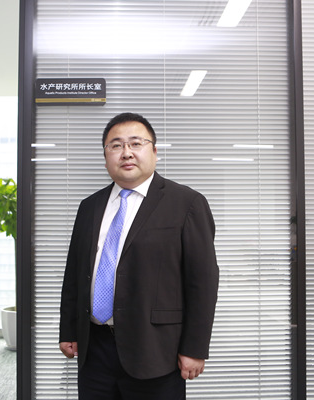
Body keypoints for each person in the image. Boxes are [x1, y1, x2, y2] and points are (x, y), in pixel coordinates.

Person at [59, 112, 219, 399]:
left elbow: (202, 283)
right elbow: (74, 274)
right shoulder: (89, 207)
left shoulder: (187, 203)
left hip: (156, 350)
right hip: (94, 350)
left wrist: (195, 348)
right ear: (106, 156)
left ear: (154, 152)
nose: (126, 152)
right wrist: (69, 330)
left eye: (136, 143)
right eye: (116, 145)